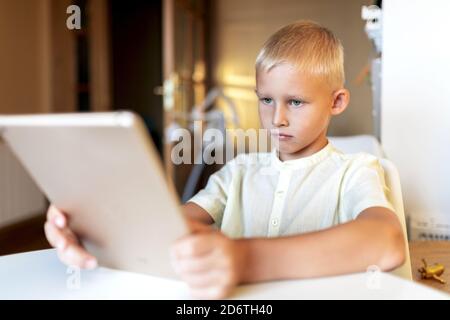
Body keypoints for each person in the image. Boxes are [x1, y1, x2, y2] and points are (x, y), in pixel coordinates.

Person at [44, 20, 406, 299]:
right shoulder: (237, 172)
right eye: (266, 100)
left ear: (337, 102)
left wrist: (245, 259)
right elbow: (172, 226)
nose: (276, 118)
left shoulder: (355, 170)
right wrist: (93, 229)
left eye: (295, 102)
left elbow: (388, 241)